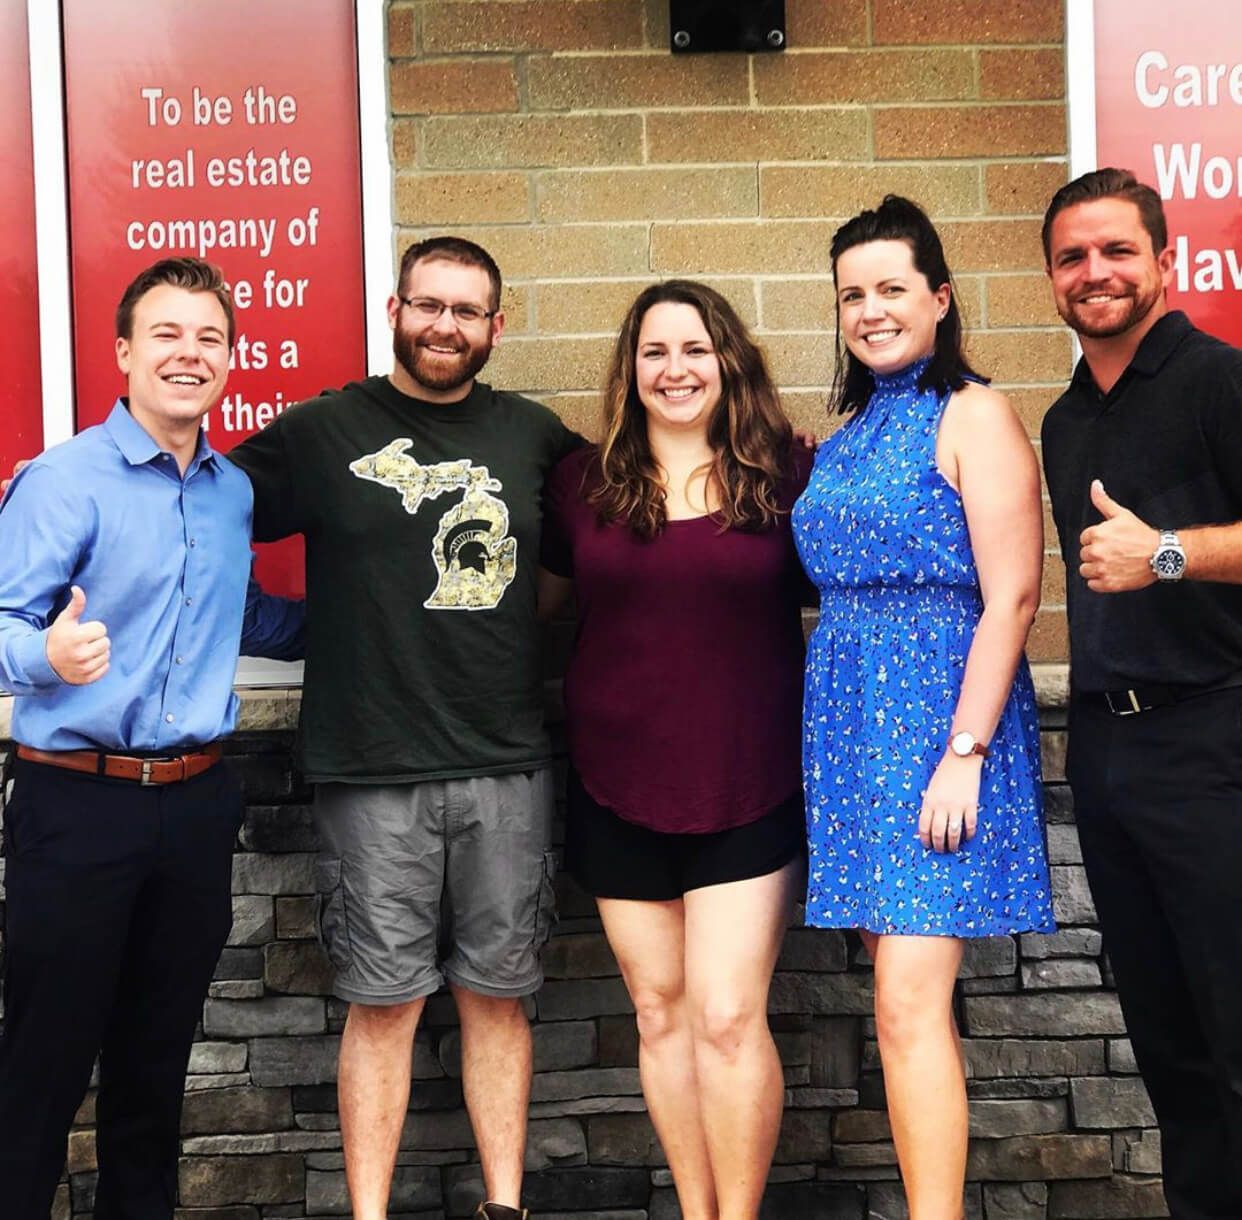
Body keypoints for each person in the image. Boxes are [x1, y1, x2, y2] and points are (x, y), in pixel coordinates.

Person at [226, 237, 581, 1220]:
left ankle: (502, 1204)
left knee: (498, 998)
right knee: (381, 1004)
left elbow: (594, 545)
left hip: (505, 761)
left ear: (496, 327)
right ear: (395, 306)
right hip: (373, 765)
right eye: (429, 305)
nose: (445, 327)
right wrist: (285, 626)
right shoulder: (325, 431)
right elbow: (201, 515)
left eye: (468, 311)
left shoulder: (535, 438)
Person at [0, 257, 304, 1220]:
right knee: (42, 1069)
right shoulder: (61, 481)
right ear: (125, 353)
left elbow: (244, 618)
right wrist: (49, 653)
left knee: (154, 1066)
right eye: (167, 334)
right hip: (75, 806)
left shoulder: (230, 494)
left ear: (229, 360)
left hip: (195, 805)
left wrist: (379, 619)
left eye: (210, 338)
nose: (190, 354)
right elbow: (4, 625)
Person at [793, 196, 1055, 1219]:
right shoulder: (849, 432)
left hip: (942, 727)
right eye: (853, 293)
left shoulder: (974, 414)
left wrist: (966, 749)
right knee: (901, 1001)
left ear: (940, 298)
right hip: (851, 732)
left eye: (893, 286)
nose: (871, 308)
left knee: (906, 1002)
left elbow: (1016, 593)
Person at [539, 280, 810, 1220]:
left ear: (728, 359)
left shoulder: (785, 475)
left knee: (729, 1018)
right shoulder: (582, 485)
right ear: (631, 369)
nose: (675, 370)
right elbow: (533, 609)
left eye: (695, 349)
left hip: (751, 775)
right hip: (616, 780)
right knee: (659, 1015)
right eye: (655, 352)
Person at [1040, 168, 1242, 1219]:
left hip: (1216, 739)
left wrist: (1166, 553)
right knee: (1171, 1051)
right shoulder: (1066, 422)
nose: (1095, 272)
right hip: (1111, 758)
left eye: (1117, 249)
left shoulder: (1220, 381)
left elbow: (1167, 559)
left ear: (1164, 259)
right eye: (1073, 257)